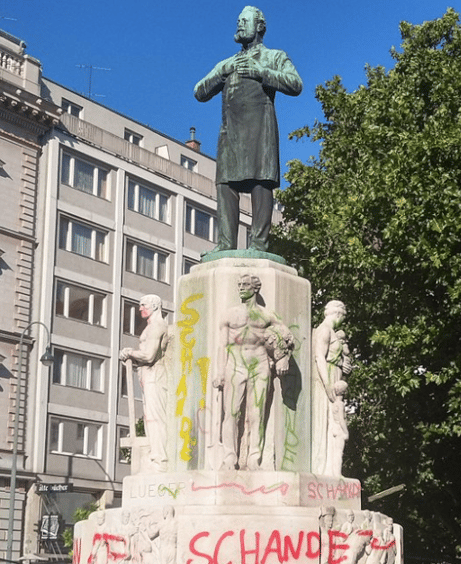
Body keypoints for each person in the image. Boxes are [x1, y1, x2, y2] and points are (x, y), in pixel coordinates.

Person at [194, 6, 302, 252]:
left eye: (245, 21)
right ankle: (225, 244)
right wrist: (221, 74)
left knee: (261, 182)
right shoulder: (227, 63)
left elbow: (296, 84)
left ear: (260, 27)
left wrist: (261, 72)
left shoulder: (274, 56)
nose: (240, 24)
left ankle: (259, 243)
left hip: (260, 133)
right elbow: (199, 92)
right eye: (238, 21)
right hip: (230, 135)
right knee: (225, 185)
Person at [213, 274, 295, 469]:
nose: (241, 287)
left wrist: (283, 358)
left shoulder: (267, 315)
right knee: (231, 413)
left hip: (259, 365)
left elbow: (288, 338)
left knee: (257, 413)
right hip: (235, 364)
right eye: (239, 284)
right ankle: (230, 456)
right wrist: (220, 372)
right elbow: (222, 346)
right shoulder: (230, 314)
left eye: (246, 285)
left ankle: (254, 457)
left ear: (255, 288)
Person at [119, 295, 171, 472]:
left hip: (156, 376)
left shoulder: (157, 326)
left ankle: (161, 459)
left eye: (143, 305)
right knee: (150, 418)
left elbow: (149, 355)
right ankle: (156, 454)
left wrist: (130, 353)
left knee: (156, 417)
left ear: (155, 306)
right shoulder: (150, 326)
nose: (140, 308)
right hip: (147, 375)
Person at [312, 300, 352, 473]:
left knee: (333, 421)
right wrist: (327, 385)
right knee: (326, 420)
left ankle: (332, 469)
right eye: (342, 317)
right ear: (338, 314)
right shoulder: (324, 330)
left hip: (334, 374)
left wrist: (344, 364)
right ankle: (322, 468)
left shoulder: (333, 332)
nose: (342, 321)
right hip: (325, 378)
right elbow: (319, 357)